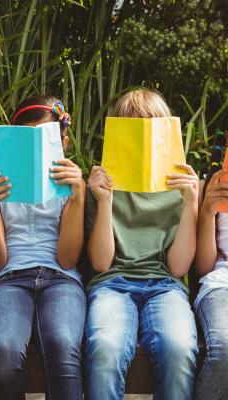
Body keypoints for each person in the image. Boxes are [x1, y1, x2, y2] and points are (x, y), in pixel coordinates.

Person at [85, 88, 199, 400]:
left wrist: (190, 204)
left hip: (165, 285)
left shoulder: (180, 186)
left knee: (179, 348)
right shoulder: (102, 183)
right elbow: (100, 263)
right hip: (112, 284)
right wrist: (105, 201)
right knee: (106, 348)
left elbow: (177, 267)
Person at [0, 95, 86, 400]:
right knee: (2, 347)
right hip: (10, 278)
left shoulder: (70, 187)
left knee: (63, 343)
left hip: (61, 278)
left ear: (63, 141)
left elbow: (67, 260)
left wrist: (77, 197)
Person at [194, 128, 228, 400]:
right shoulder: (210, 185)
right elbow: (204, 268)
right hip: (221, 282)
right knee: (225, 347)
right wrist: (207, 210)